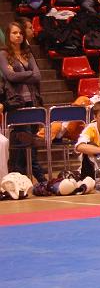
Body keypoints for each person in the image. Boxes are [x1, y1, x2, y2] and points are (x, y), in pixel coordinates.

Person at [0, 21, 46, 183]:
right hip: (16, 102)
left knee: (30, 140)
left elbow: (38, 76)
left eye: (20, 33)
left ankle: (22, 177)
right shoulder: (3, 54)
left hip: (33, 100)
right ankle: (39, 176)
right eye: (14, 33)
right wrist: (28, 73)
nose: (18, 35)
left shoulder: (27, 53)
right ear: (8, 35)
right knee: (25, 140)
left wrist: (19, 74)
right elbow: (9, 76)